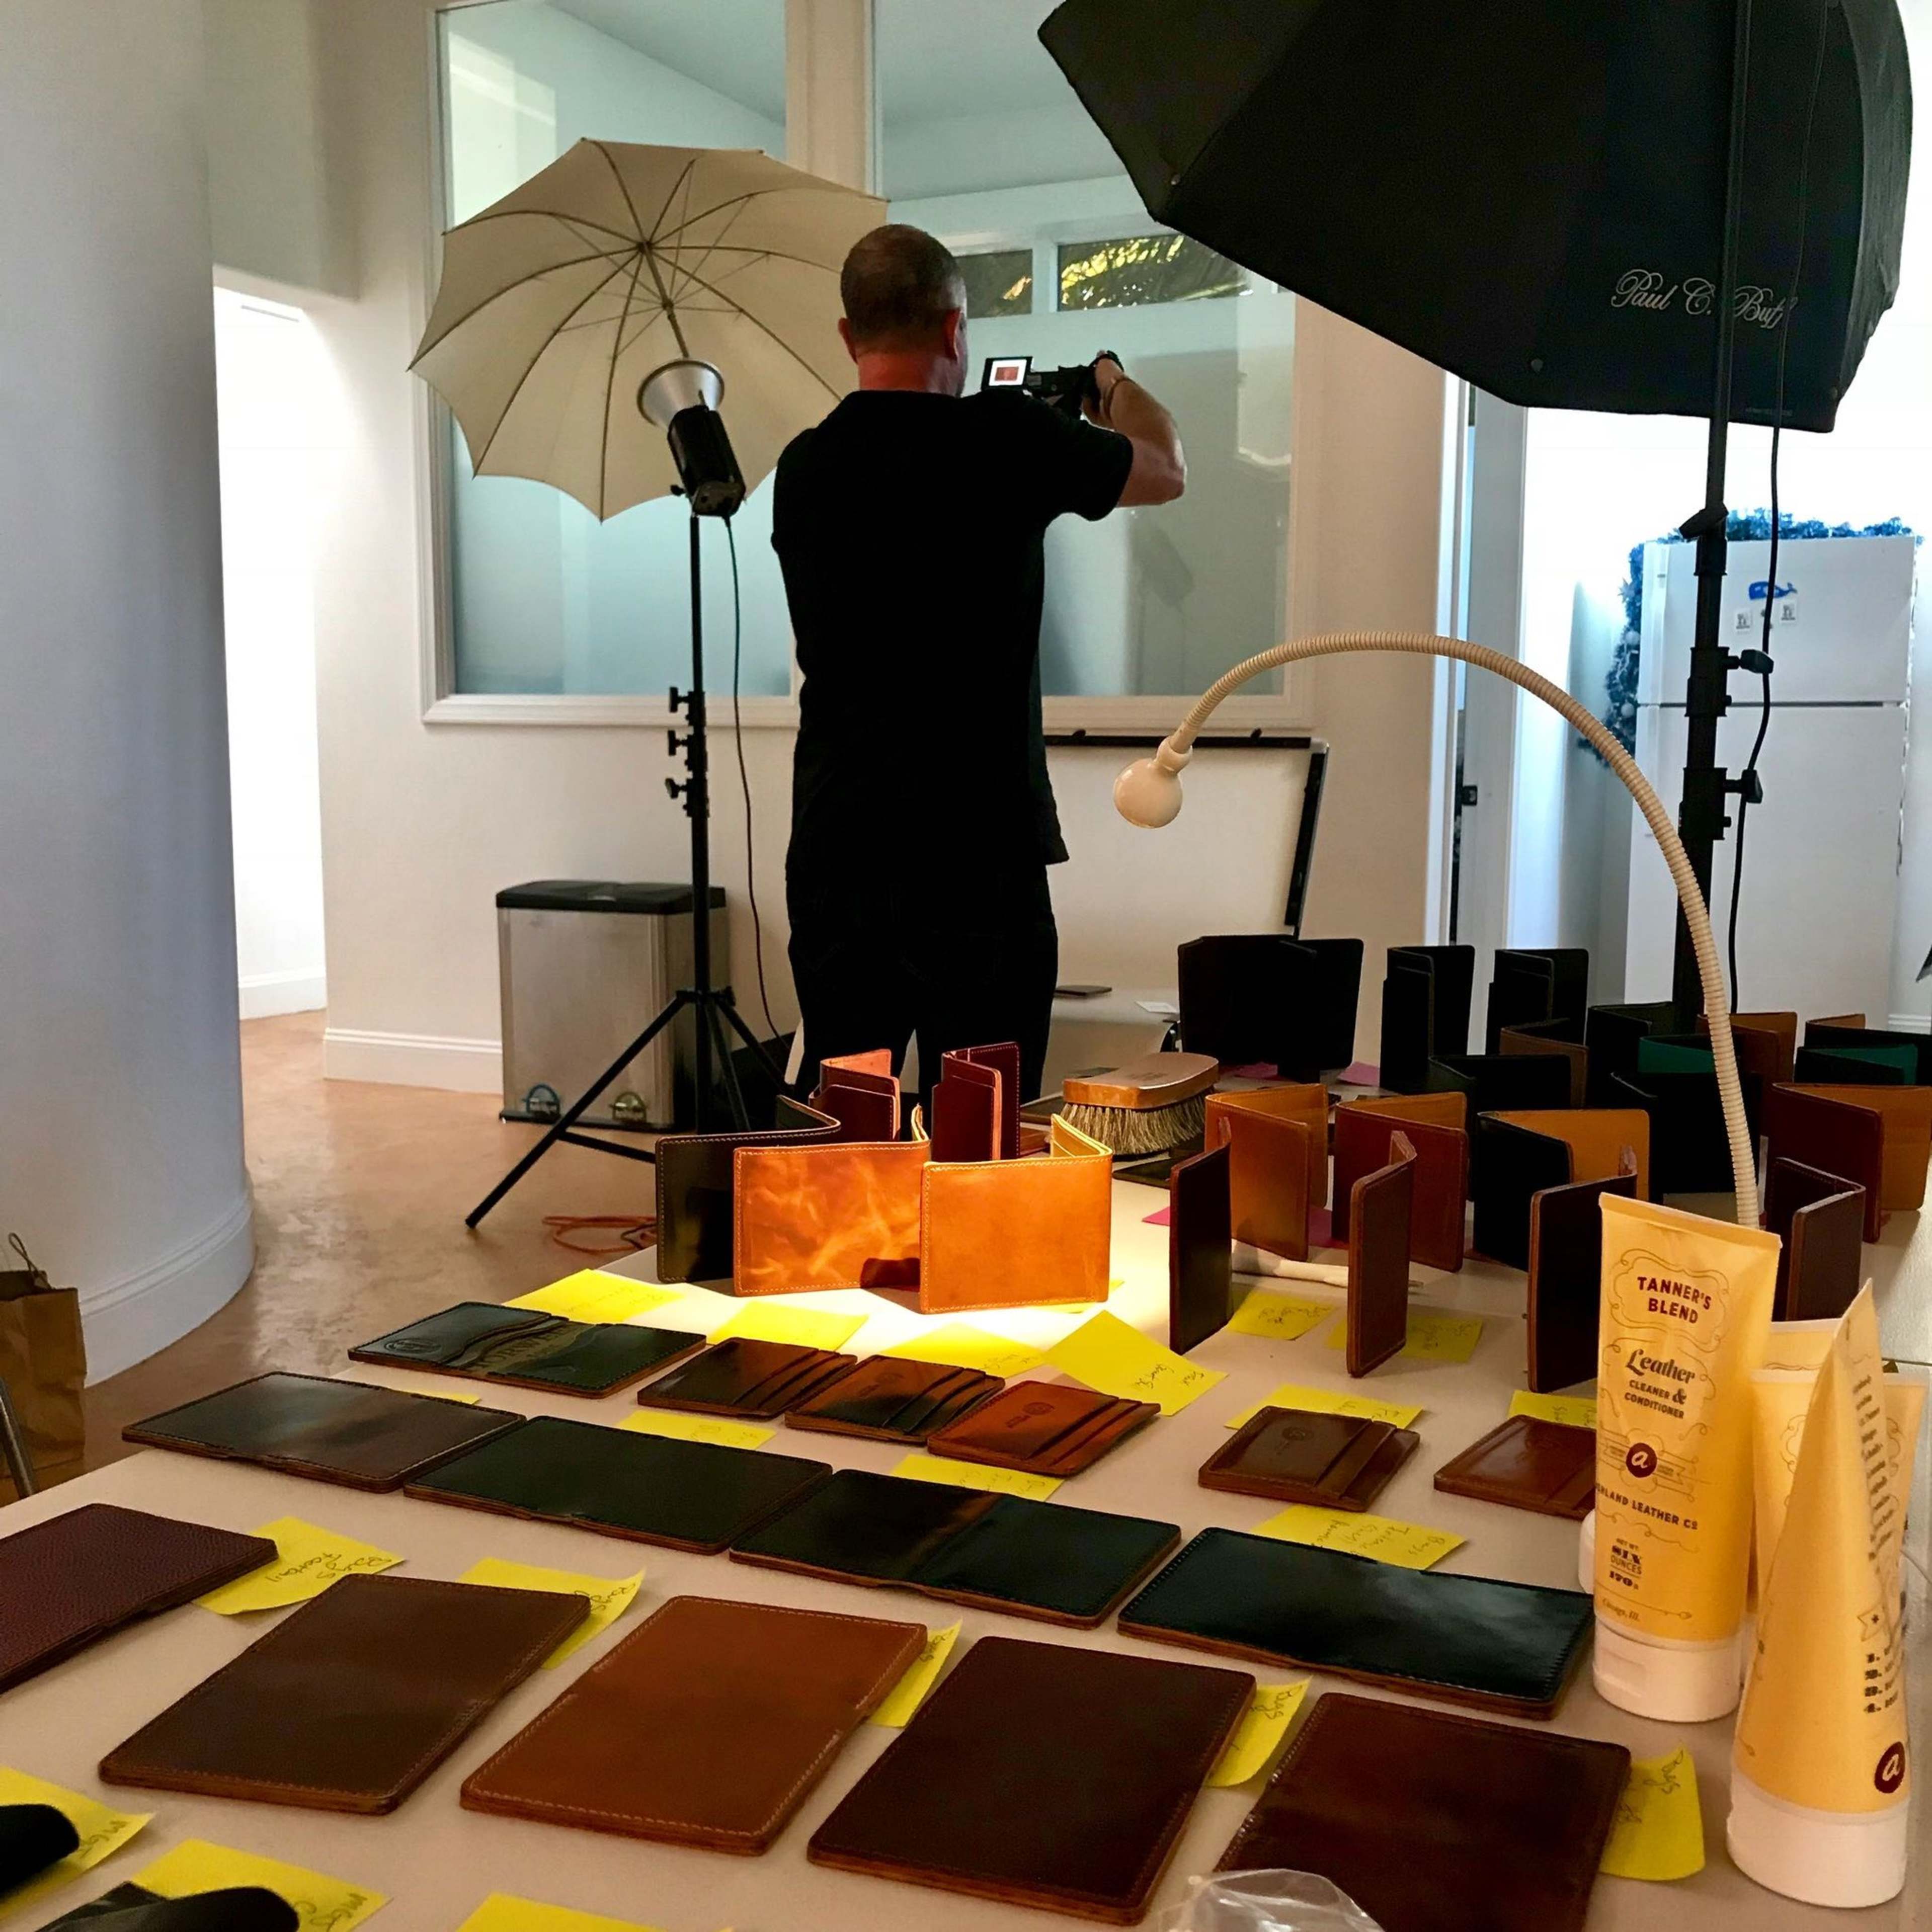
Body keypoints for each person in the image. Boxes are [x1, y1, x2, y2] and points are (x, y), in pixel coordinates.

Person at [771, 223, 1186, 1110]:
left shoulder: (805, 468)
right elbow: (1167, 469)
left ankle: (859, 1252)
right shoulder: (1008, 437)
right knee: (985, 1130)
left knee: (852, 1119)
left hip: (842, 851)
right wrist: (1111, 388)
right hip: (979, 857)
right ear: (957, 332)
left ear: (849, 336)